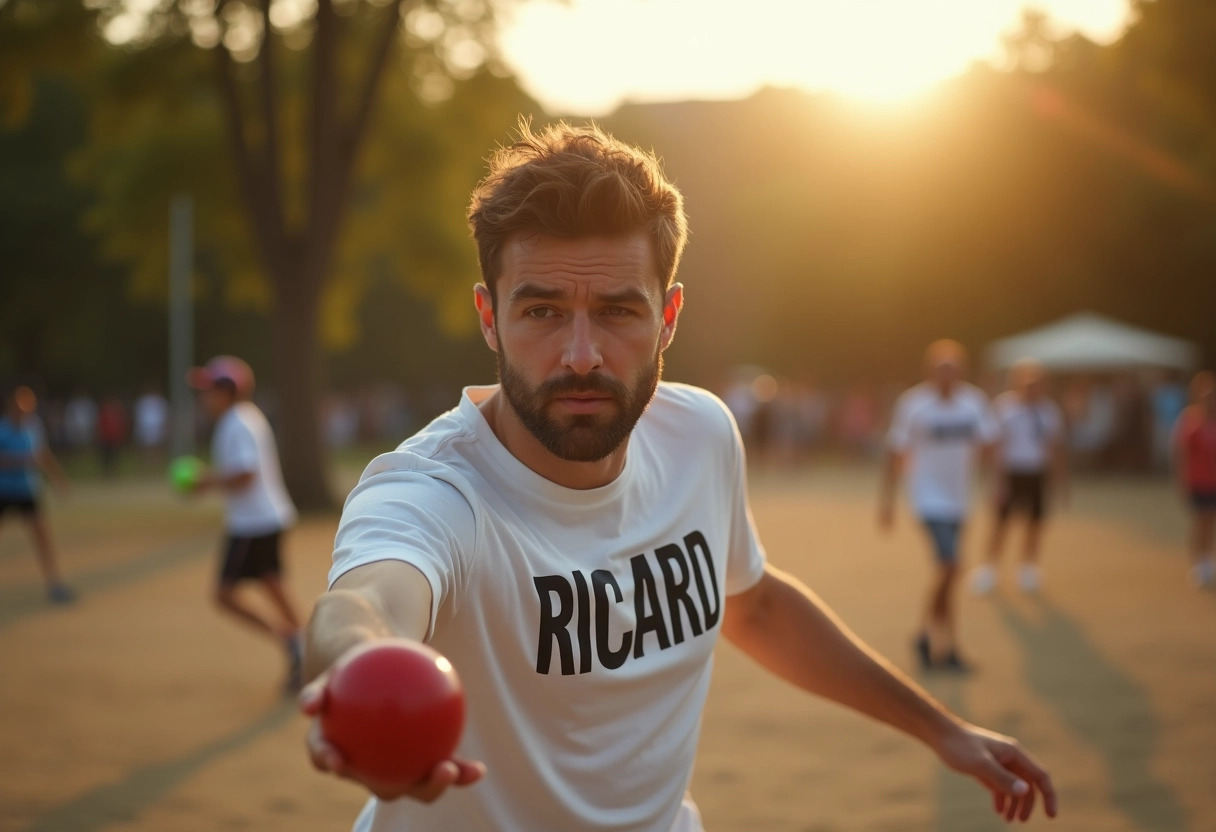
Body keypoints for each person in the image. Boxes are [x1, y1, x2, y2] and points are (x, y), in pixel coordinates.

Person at [300, 122, 1057, 831]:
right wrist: (362, 666)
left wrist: (942, 730)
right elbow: (363, 602)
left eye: (619, 311)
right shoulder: (434, 492)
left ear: (668, 317)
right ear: (489, 316)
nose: (582, 354)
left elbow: (753, 606)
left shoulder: (699, 433)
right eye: (542, 312)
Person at [878, 340, 999, 671]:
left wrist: (997, 484)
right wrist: (886, 502)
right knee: (951, 565)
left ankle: (942, 645)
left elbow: (989, 445)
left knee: (949, 573)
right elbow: (895, 451)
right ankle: (931, 639)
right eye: (940, 370)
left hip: (960, 500)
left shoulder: (973, 403)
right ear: (930, 372)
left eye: (953, 369)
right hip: (927, 497)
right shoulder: (914, 405)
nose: (947, 376)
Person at [187, 356, 305, 692]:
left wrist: (205, 482)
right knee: (272, 582)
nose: (204, 397)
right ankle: (309, 648)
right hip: (268, 517)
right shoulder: (248, 417)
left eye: (209, 389)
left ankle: (292, 642)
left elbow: (246, 474)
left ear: (227, 391)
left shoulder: (235, 423)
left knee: (224, 595)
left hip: (251, 523)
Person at [971, 359, 1068, 595]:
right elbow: (998, 448)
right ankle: (989, 569)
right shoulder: (1005, 407)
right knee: (1001, 524)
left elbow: (1054, 448)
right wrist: (998, 482)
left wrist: (1059, 480)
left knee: (1035, 523)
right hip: (1012, 472)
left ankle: (1028, 568)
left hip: (1036, 473)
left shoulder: (1048, 410)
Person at [0, 385, 74, 603]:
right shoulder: (2, 429)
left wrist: (58, 479)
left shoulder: (33, 427)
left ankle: (54, 583)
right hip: (4, 491)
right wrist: (22, 460)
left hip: (27, 492)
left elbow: (42, 455)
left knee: (42, 537)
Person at [1172, 370, 1216, 587]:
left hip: (1214, 480)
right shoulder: (1190, 420)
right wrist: (1183, 481)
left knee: (1210, 521)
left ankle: (1207, 559)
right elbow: (1182, 454)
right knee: (1200, 520)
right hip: (1198, 480)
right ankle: (1198, 563)